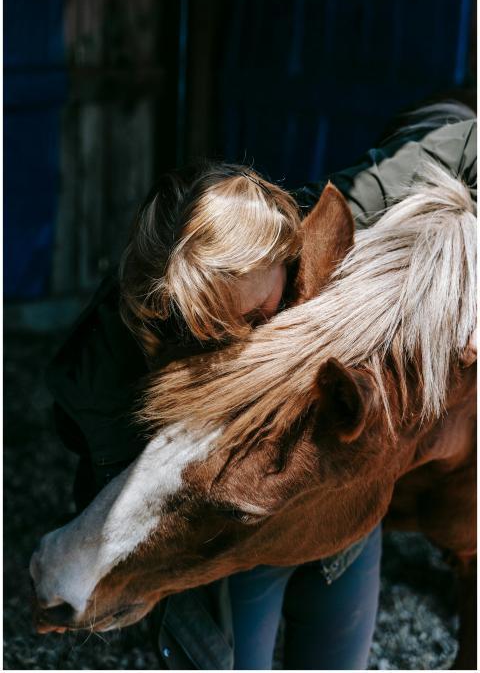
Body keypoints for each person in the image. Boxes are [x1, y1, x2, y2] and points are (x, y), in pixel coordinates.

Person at [45, 100, 476, 669]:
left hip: (320, 498)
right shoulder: (111, 362)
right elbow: (134, 486)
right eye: (213, 327)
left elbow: (461, 135)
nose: (246, 340)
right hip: (237, 507)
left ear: (287, 250)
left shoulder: (333, 225)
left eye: (254, 314)